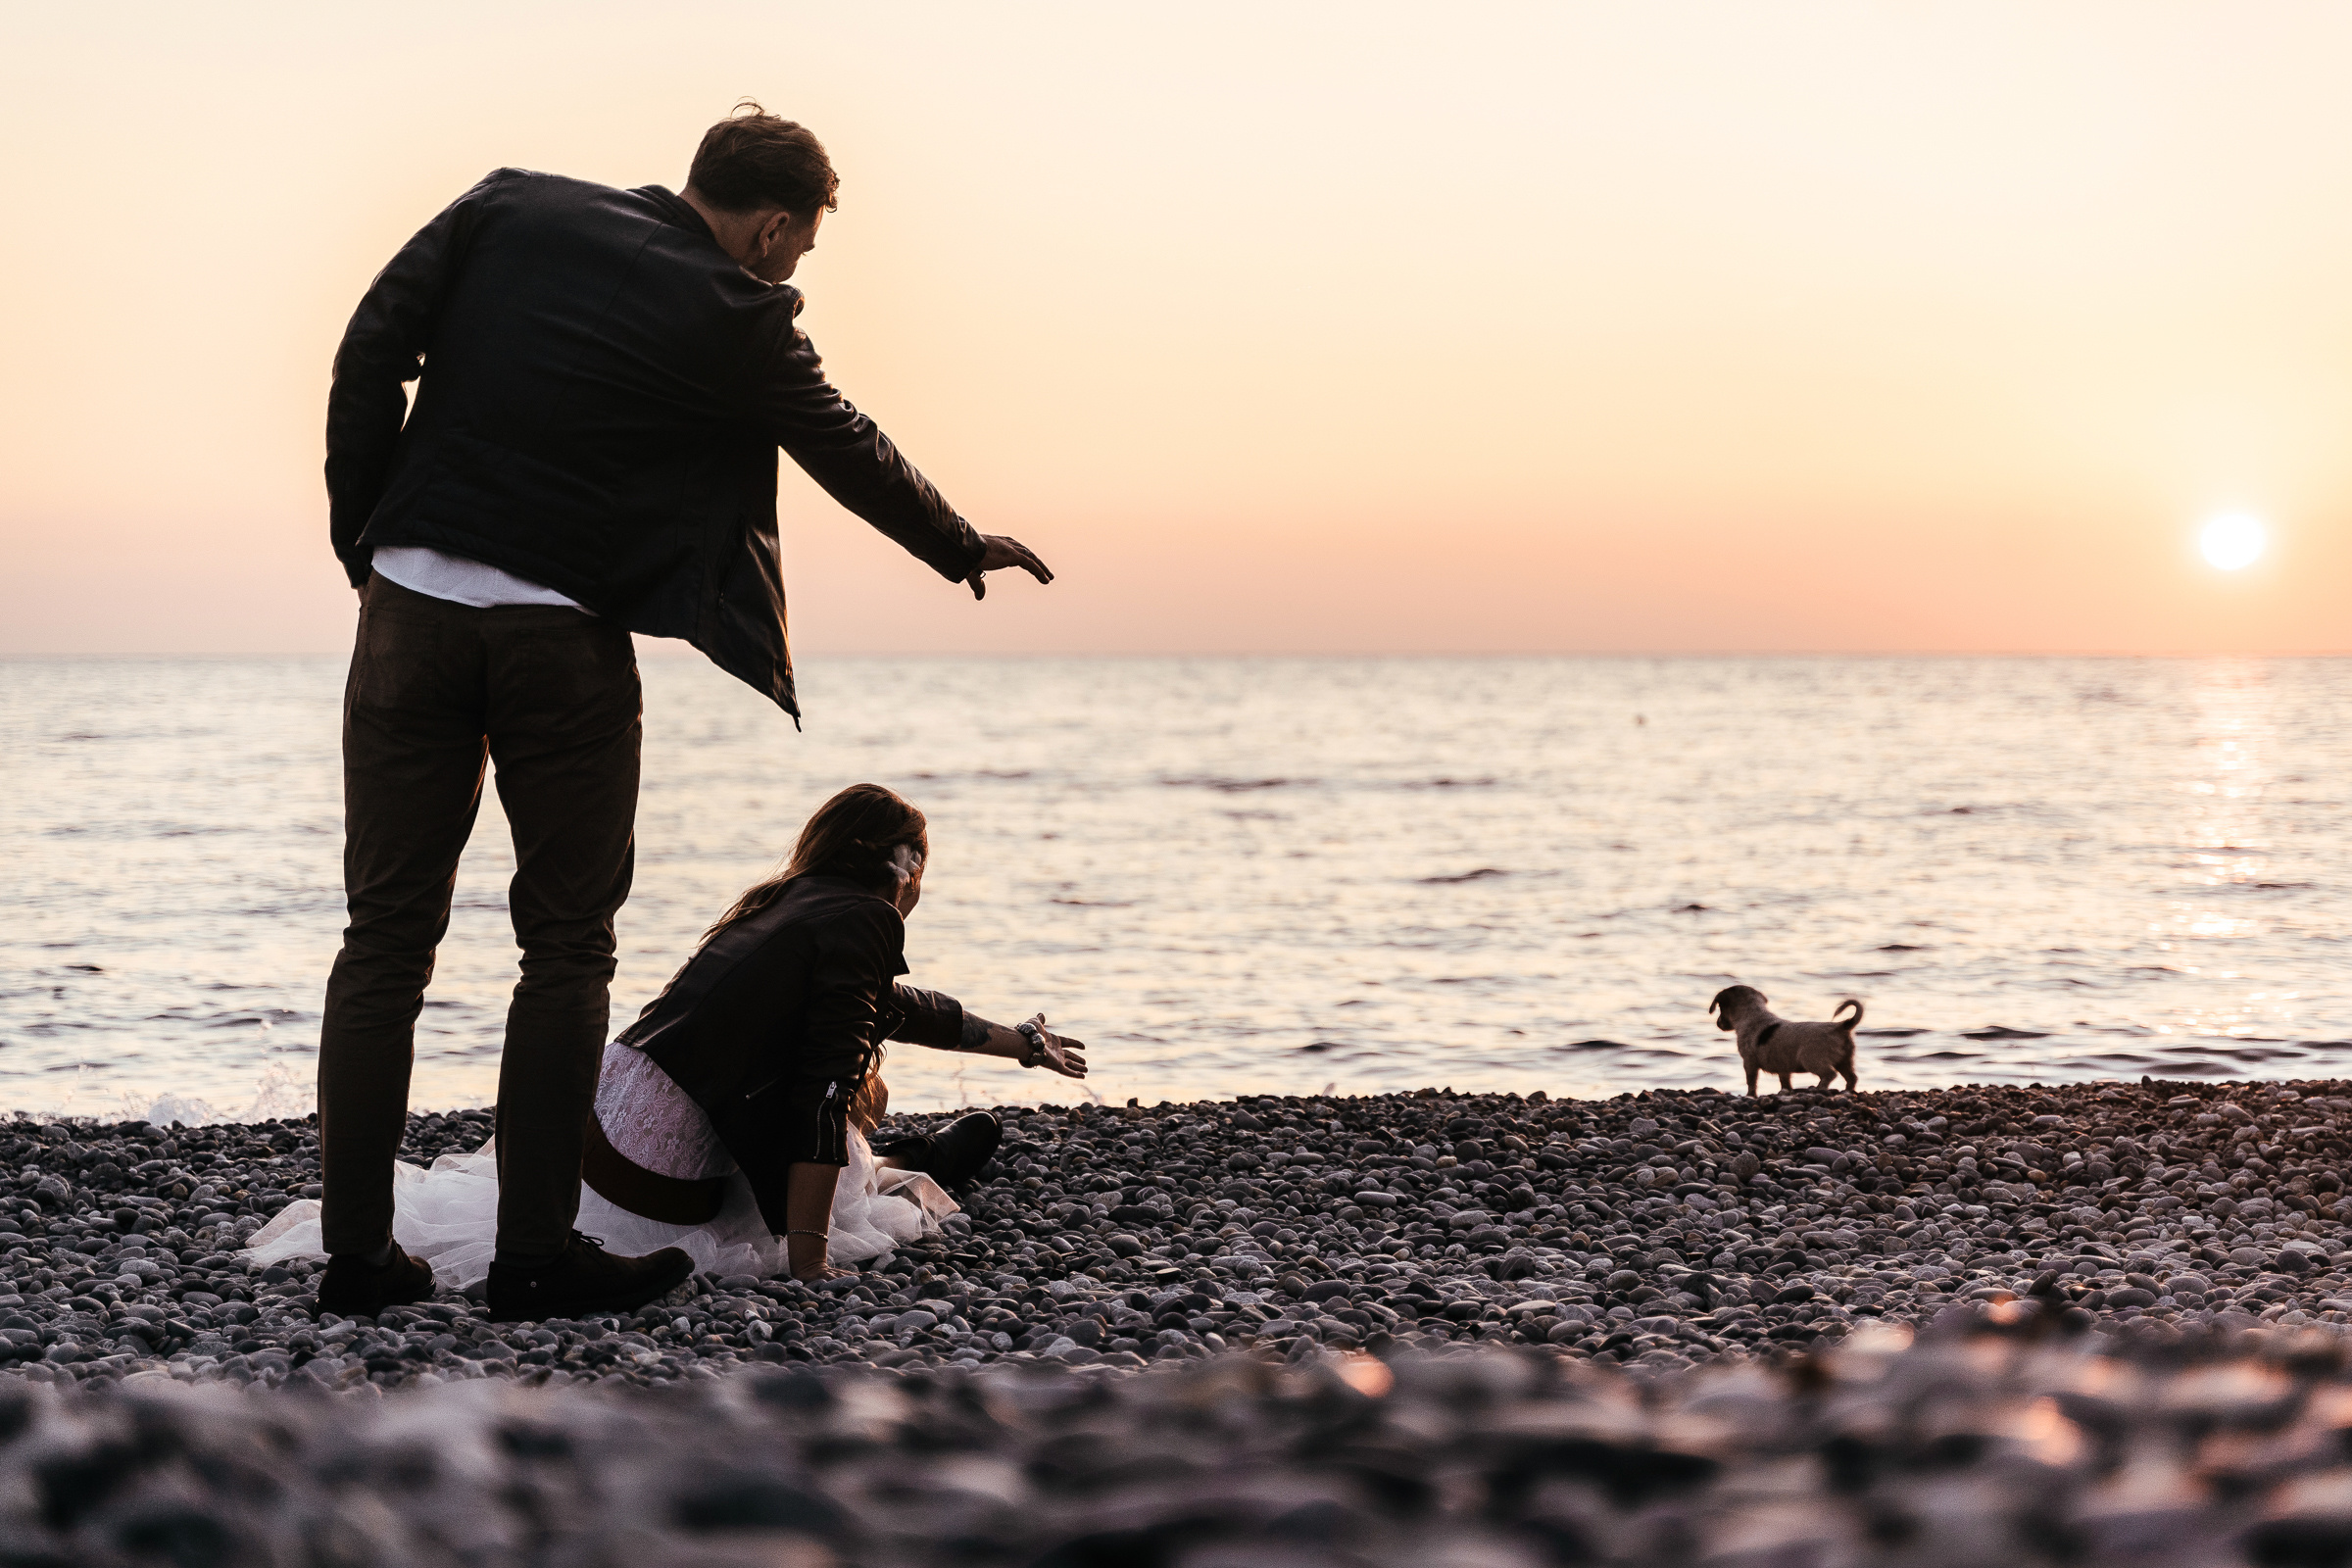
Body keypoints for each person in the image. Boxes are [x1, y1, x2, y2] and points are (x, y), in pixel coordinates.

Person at [315, 104, 1057, 1321]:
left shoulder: (508, 204)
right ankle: (536, 1256)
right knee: (563, 946)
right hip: (561, 642)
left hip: (407, 610)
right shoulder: (743, 314)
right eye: (803, 249)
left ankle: (359, 1257)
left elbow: (368, 351)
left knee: (384, 937)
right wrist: (957, 541)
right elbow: (846, 445)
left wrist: (368, 536)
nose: (794, 269)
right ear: (773, 228)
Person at [250, 783, 1086, 1290]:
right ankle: (903, 1166)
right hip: (655, 1177)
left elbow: (896, 1008)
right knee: (851, 1095)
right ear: (899, 866)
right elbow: (820, 1093)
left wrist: (1018, 1042)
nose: (919, 889)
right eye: (921, 869)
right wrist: (811, 1261)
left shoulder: (781, 903)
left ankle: (903, 1158)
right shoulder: (863, 916)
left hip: (595, 1129)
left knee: (845, 1079)